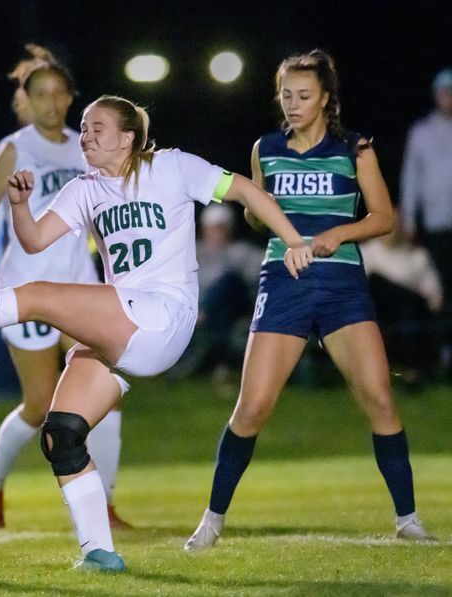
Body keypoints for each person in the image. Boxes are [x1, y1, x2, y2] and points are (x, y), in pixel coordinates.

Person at [0, 94, 313, 571]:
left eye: (97, 127)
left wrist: (293, 240)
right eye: (85, 127)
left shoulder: (172, 166)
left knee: (36, 296)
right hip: (124, 328)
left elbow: (245, 190)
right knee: (61, 435)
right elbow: (33, 240)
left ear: (128, 137)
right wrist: (18, 204)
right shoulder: (84, 189)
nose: (87, 136)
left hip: (163, 316)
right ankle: (98, 552)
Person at [185, 50, 434, 551]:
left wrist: (334, 235)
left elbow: (383, 217)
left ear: (325, 97)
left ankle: (408, 519)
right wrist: (277, 228)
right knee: (252, 407)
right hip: (284, 281)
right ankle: (211, 520)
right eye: (286, 95)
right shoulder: (266, 148)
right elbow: (256, 214)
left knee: (381, 399)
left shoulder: (355, 147)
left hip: (342, 285)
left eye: (303, 95)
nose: (293, 104)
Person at [0, 45, 129, 530]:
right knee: (41, 406)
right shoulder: (16, 149)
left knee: (107, 388)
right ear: (27, 99)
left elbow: (101, 216)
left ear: (71, 99)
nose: (52, 102)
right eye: (41, 94)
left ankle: (105, 504)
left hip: (79, 286)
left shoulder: (86, 150)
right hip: (28, 289)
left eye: (60, 94)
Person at [400, 68, 452, 377]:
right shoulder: (421, 132)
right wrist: (408, 217)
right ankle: (439, 356)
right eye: (443, 92)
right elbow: (411, 178)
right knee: (437, 290)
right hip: (436, 225)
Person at [176, 203, 263, 385]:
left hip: (236, 308)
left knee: (228, 282)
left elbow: (263, 272)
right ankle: (220, 365)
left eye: (222, 228)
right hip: (200, 310)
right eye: (214, 228)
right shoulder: (191, 253)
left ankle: (213, 361)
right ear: (204, 228)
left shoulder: (242, 251)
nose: (218, 233)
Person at [361, 210, 443, 388]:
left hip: (409, 313)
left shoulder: (417, 257)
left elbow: (434, 296)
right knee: (375, 281)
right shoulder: (368, 253)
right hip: (377, 312)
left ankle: (411, 373)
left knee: (409, 307)